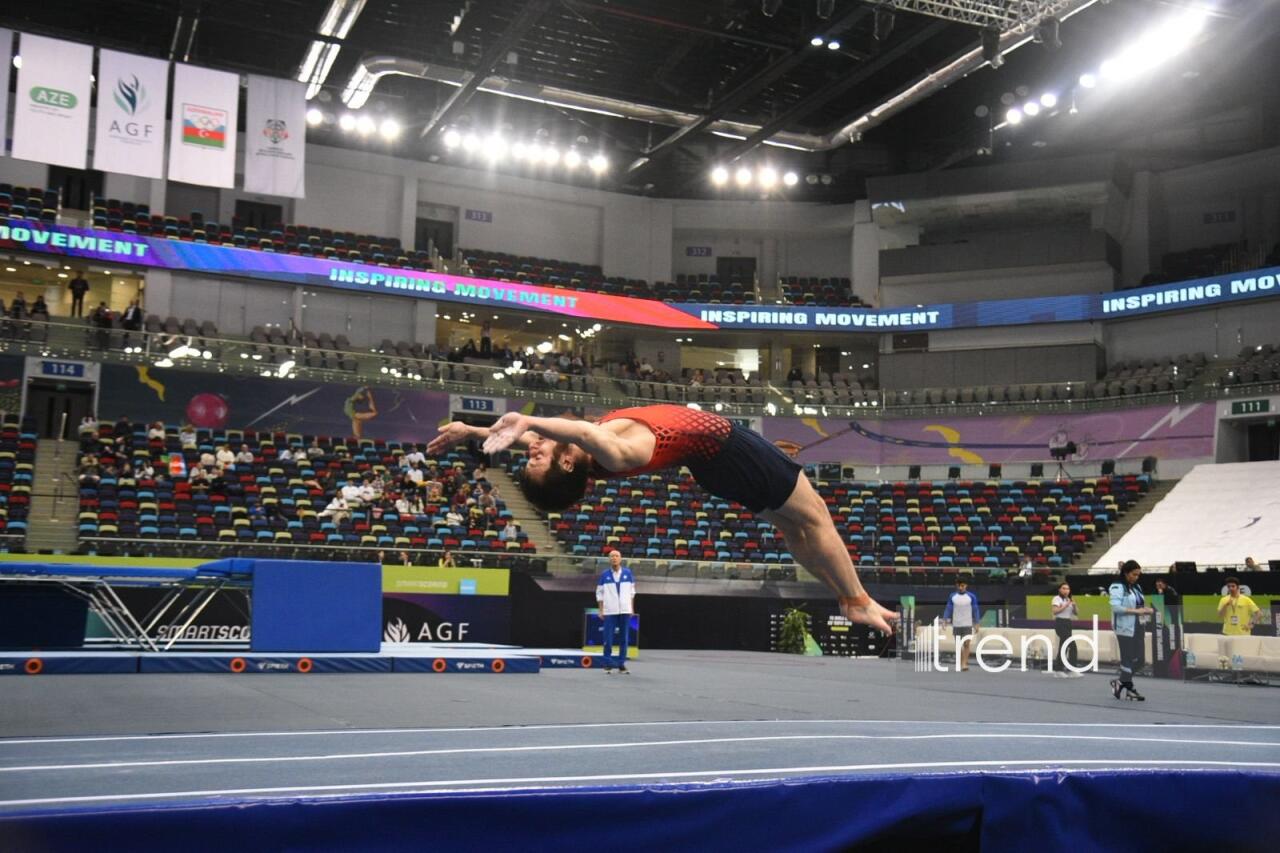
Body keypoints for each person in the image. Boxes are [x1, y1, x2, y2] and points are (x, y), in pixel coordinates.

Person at [428, 405, 896, 633]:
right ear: (566, 464)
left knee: (793, 526)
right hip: (730, 451)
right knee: (815, 518)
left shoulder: (585, 445)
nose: (531, 447)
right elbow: (580, 430)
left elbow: (555, 427)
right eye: (536, 458)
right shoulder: (611, 454)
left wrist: (476, 429)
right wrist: (526, 421)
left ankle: (846, 596)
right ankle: (854, 598)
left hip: (717, 464)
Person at [1109, 559, 1153, 701]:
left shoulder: (1137, 587)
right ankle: (1130, 690)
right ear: (1126, 573)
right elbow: (1116, 607)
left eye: (1138, 575)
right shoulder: (1117, 586)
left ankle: (1121, 682)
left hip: (1139, 626)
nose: (1136, 577)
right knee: (1127, 659)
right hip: (1124, 628)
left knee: (1140, 660)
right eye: (1134, 574)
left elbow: (1139, 604)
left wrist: (1146, 610)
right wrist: (1136, 611)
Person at [596, 550, 636, 674]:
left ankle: (621, 664)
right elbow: (599, 593)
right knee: (608, 638)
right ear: (609, 559)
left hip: (625, 610)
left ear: (621, 558)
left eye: (616, 556)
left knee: (624, 638)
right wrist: (601, 610)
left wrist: (631, 608)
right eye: (612, 556)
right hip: (610, 611)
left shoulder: (628, 573)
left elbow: (632, 593)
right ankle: (607, 663)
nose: (614, 558)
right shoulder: (604, 574)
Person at [942, 577, 980, 671]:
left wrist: (977, 623)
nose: (960, 587)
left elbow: (975, 610)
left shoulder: (971, 596)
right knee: (959, 645)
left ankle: (964, 663)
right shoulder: (952, 596)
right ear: (956, 586)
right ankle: (960, 662)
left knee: (966, 644)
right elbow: (948, 608)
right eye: (959, 585)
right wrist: (944, 620)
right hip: (957, 624)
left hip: (967, 623)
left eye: (962, 585)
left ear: (966, 586)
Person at [1051, 582, 1083, 677]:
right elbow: (1055, 611)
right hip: (1060, 623)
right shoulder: (1056, 599)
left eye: (1067, 589)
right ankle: (1062, 669)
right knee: (1072, 646)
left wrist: (1074, 605)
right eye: (1064, 588)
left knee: (1063, 646)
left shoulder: (1069, 599)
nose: (1066, 591)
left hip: (1068, 623)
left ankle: (1064, 669)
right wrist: (1066, 604)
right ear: (1060, 589)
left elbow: (1076, 613)